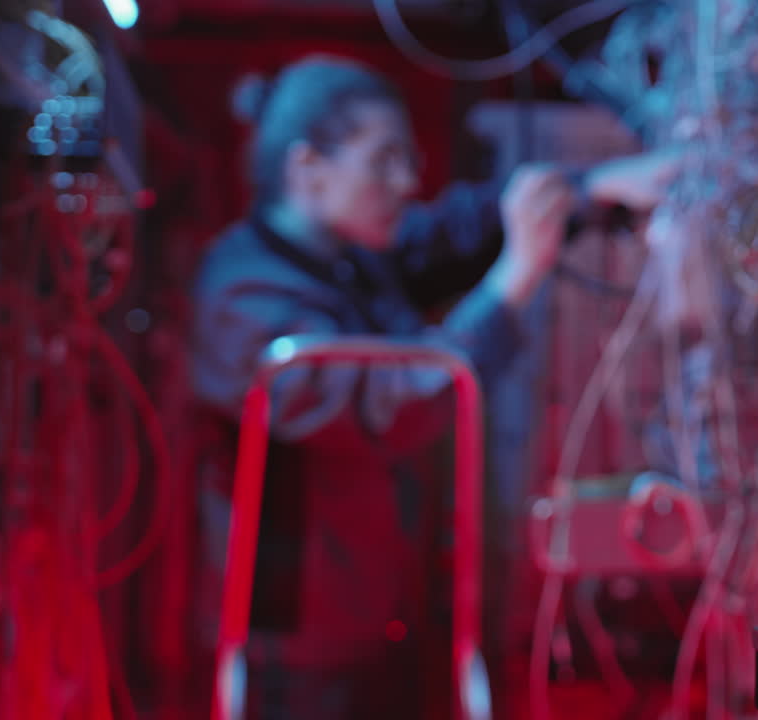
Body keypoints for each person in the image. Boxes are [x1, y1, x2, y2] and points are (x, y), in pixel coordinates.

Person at [189, 56, 675, 719]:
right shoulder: (244, 293)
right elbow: (393, 405)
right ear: (307, 169)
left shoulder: (346, 261)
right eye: (383, 161)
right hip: (301, 644)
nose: (407, 183)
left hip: (378, 614)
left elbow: (455, 231)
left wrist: (592, 190)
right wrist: (514, 281)